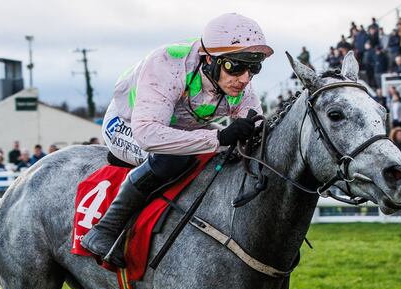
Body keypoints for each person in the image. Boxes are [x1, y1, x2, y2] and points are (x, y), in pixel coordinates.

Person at [82, 13, 272, 267]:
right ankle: (104, 230)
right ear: (209, 59)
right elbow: (148, 134)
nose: (245, 78)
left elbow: (258, 127)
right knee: (174, 159)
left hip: (182, 127)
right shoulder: (167, 63)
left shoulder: (239, 81)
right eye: (236, 66)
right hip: (129, 126)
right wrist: (219, 136)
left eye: (254, 67)